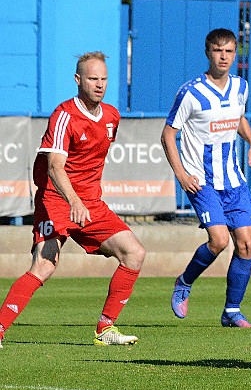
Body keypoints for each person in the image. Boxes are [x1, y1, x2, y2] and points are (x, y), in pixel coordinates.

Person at [0, 51, 146, 348]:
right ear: (78, 80)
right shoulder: (64, 115)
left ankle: (105, 329)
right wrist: (74, 201)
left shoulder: (111, 116)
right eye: (93, 78)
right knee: (45, 265)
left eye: (104, 79)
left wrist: (84, 200)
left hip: (91, 203)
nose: (99, 84)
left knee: (134, 253)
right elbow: (55, 166)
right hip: (57, 199)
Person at [161, 28, 251, 328]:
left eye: (229, 51)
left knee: (245, 245)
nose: (223, 56)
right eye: (218, 50)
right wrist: (181, 174)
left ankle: (232, 311)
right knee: (218, 241)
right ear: (208, 53)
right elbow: (168, 135)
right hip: (202, 181)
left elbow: (238, 118)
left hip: (233, 180)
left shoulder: (240, 87)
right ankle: (184, 281)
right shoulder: (190, 92)